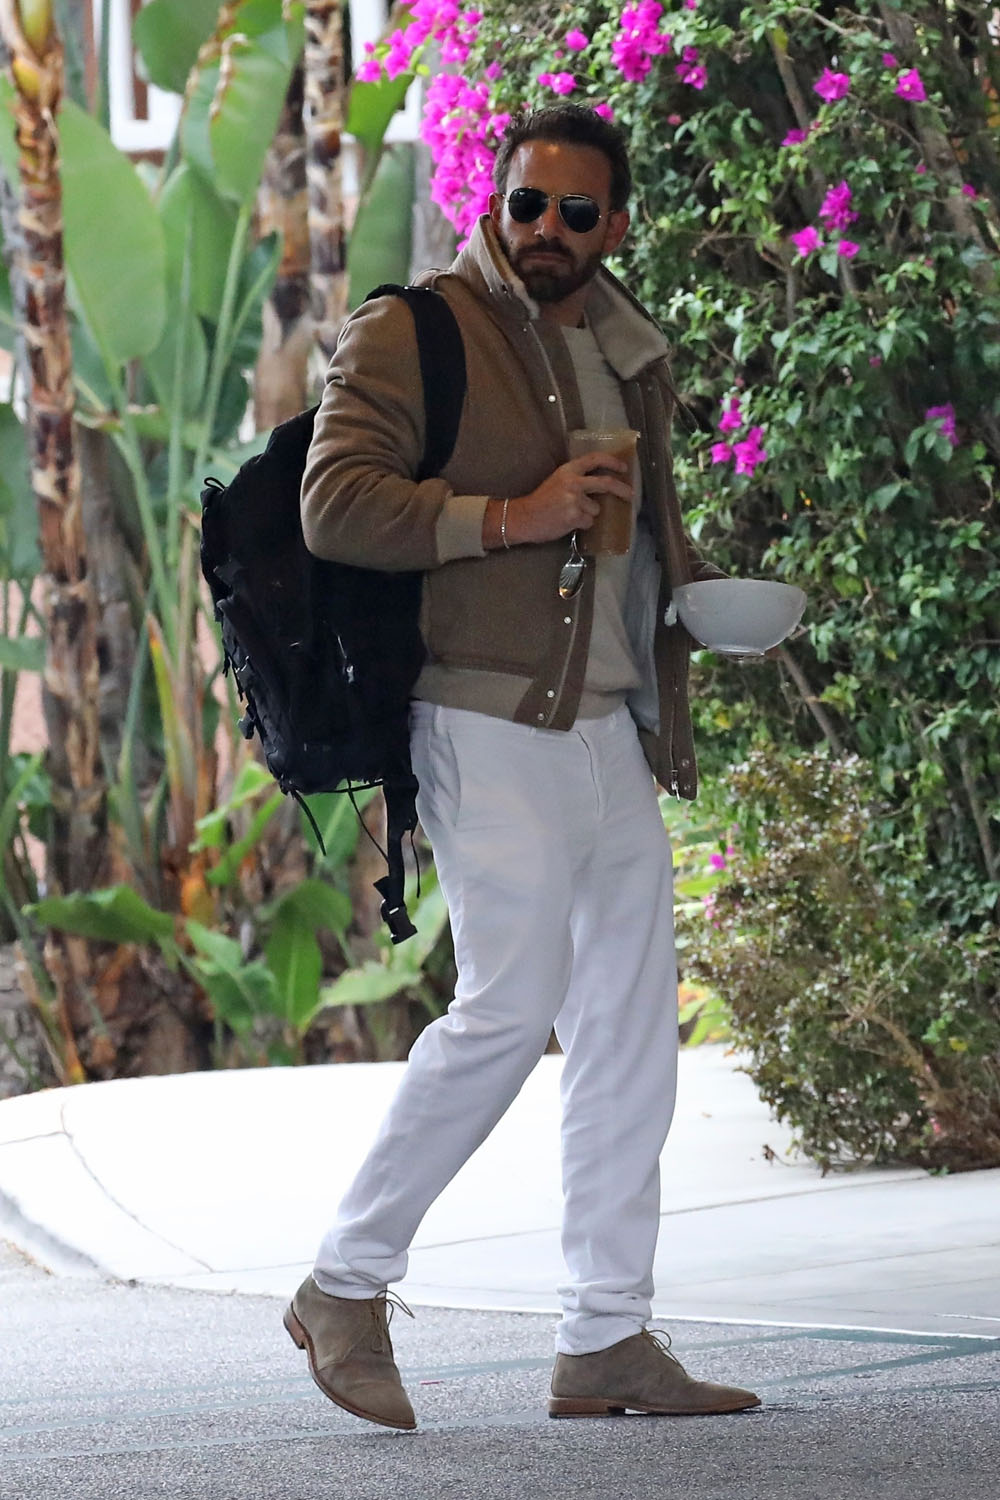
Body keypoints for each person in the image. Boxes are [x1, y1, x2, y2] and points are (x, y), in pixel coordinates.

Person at [288, 103, 760, 1430]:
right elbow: (336, 502)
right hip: (483, 718)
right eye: (525, 204)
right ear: (495, 206)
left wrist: (695, 609)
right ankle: (344, 1283)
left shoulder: (620, 346)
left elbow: (628, 547)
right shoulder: (418, 329)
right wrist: (512, 515)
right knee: (510, 1006)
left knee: (629, 1028)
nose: (545, 228)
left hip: (606, 728)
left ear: (616, 225)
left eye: (576, 211)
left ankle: (605, 1334)